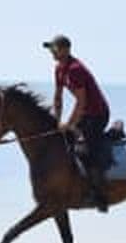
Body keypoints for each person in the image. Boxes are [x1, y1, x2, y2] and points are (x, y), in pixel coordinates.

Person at [43, 34, 111, 211]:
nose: (52, 52)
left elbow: (81, 102)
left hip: (98, 114)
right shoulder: (59, 69)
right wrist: (55, 123)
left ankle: (99, 195)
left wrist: (70, 124)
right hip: (84, 114)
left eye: (54, 49)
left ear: (65, 50)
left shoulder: (75, 69)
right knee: (64, 144)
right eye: (51, 49)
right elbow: (58, 98)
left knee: (85, 151)